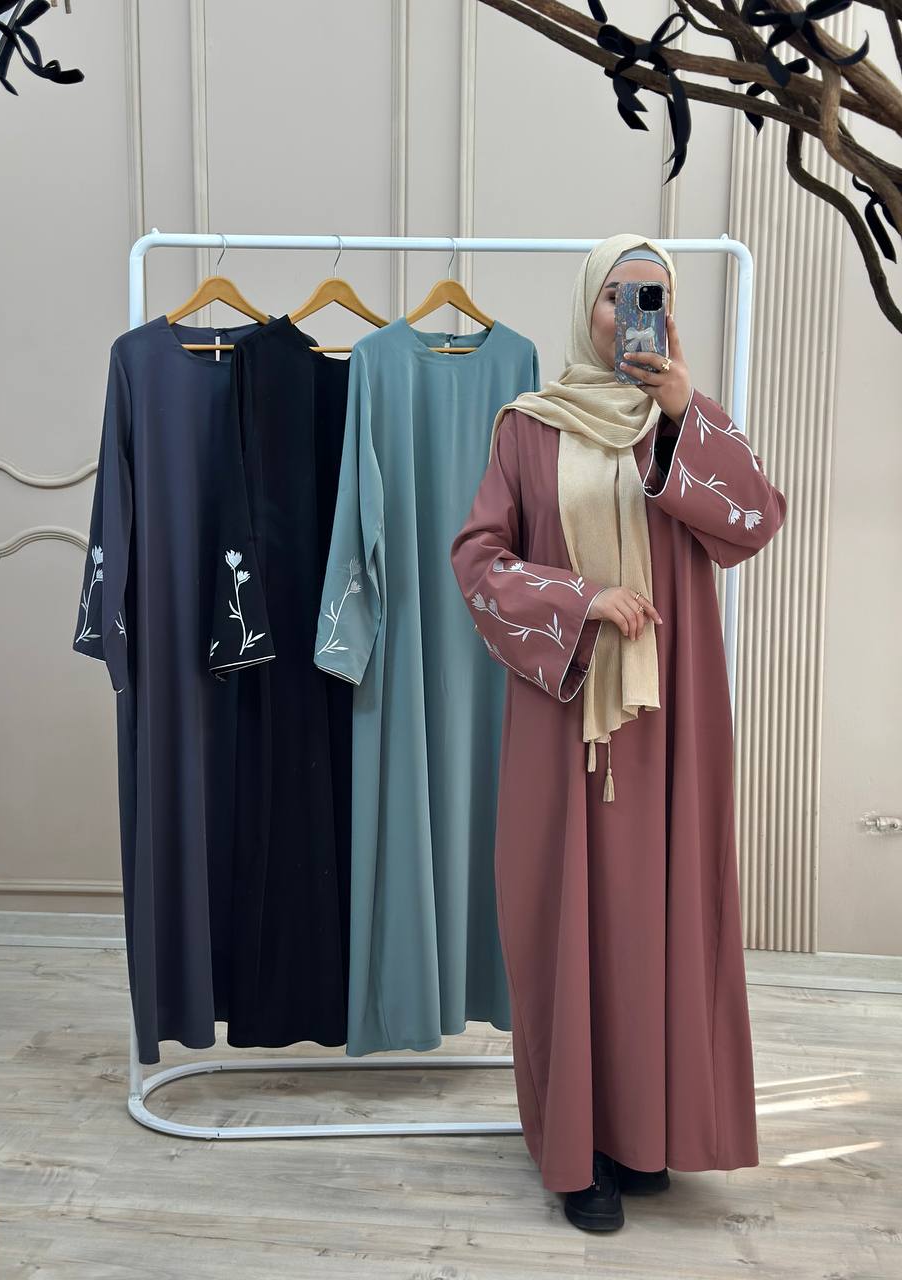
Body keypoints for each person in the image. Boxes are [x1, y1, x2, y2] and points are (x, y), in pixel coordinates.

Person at [449, 232, 787, 1232]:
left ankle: (643, 1132)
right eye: (619, 296)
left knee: (656, 921)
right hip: (567, 717)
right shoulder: (529, 428)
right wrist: (582, 598)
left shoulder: (681, 421)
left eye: (655, 296)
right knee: (565, 921)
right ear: (585, 308)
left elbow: (754, 521)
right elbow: (478, 562)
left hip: (670, 719)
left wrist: (685, 410)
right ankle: (577, 1153)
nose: (637, 314)